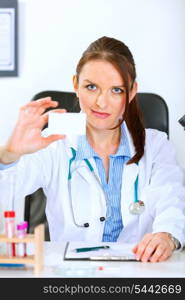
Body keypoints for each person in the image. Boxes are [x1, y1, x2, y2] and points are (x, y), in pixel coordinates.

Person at [0, 36, 185, 263]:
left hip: (141, 270)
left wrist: (167, 236)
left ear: (132, 91)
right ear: (75, 85)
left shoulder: (156, 146)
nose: (101, 102)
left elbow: (172, 202)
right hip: (70, 274)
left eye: (116, 90)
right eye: (91, 87)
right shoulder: (53, 143)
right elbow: (6, 193)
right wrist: (9, 153)